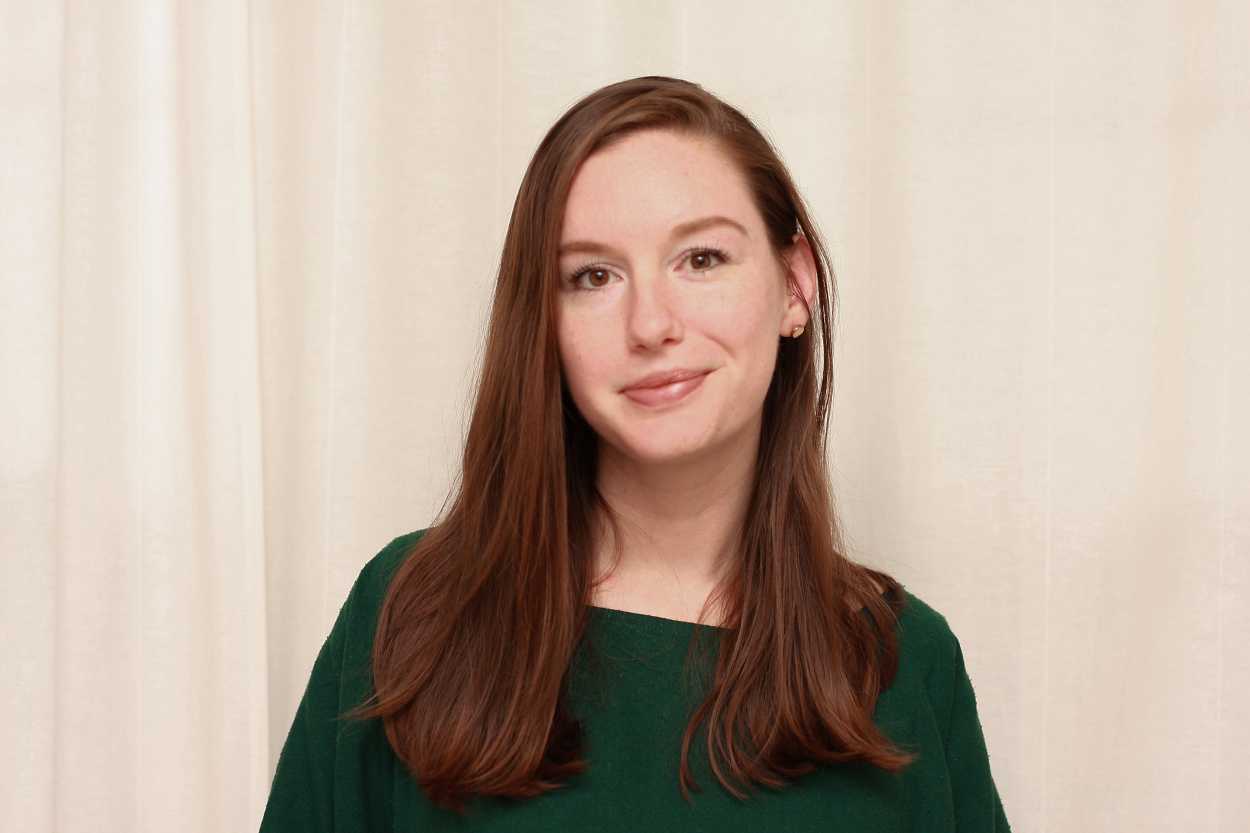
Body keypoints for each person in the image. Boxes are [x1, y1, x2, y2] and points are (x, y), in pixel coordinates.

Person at [259, 75, 1011, 832]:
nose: (650, 323)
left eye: (702, 259)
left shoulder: (907, 661)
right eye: (593, 276)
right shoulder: (410, 615)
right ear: (544, 323)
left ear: (794, 285)